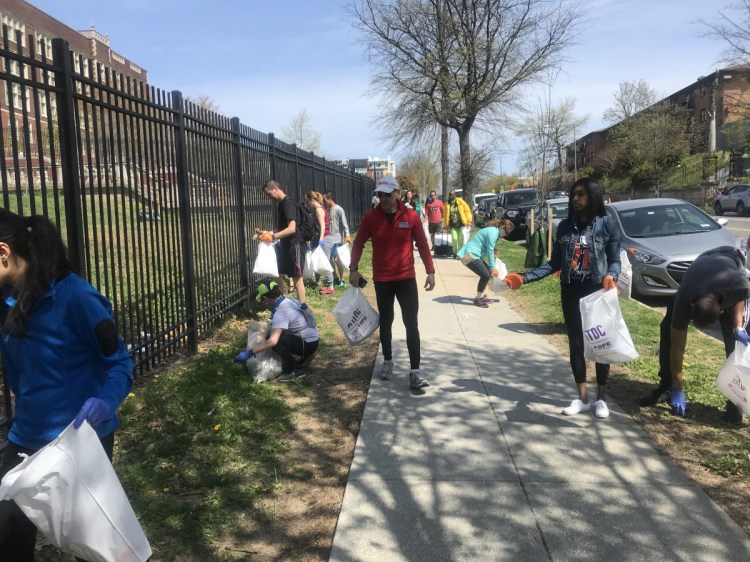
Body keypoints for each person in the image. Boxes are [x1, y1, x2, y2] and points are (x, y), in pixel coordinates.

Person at [0, 209, 133, 560]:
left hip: (80, 442)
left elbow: (119, 362)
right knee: (7, 539)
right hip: (25, 441)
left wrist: (106, 400)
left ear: (3, 253)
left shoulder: (78, 298)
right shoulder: (7, 302)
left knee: (95, 547)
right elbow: (18, 371)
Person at [505, 178, 621, 419]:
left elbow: (615, 259)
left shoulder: (607, 225)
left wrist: (611, 275)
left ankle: (601, 399)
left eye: (581, 194)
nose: (576, 199)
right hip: (571, 292)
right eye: (573, 195)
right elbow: (554, 264)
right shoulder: (565, 227)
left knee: (600, 344)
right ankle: (583, 399)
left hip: (597, 291)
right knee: (576, 345)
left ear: (593, 196)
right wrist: (524, 278)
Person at [638, 246, 750, 423]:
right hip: (700, 268)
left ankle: (735, 402)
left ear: (722, 311)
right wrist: (678, 386)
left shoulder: (739, 283)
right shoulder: (685, 299)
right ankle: (666, 387)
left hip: (731, 261)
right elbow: (677, 348)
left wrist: (738, 328)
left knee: (736, 346)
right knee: (668, 330)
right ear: (691, 307)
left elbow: (740, 298)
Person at [349, 175, 436, 389]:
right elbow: (358, 243)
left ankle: (415, 371)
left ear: (397, 193)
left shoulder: (412, 216)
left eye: (387, 195)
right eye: (379, 194)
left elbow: (423, 245)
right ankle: (387, 361)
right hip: (383, 280)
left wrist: (430, 271)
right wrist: (353, 269)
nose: (383, 199)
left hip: (406, 278)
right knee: (386, 322)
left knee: (411, 323)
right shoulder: (371, 218)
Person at [234, 279, 319, 382]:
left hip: (308, 344)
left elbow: (272, 341)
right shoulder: (289, 301)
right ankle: (304, 359)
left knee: (274, 340)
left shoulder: (281, 312)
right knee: (277, 334)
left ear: (265, 298)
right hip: (313, 339)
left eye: (262, 300)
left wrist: (249, 353)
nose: (264, 302)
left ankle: (295, 369)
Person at [258, 179, 307, 304]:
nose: (268, 197)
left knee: (297, 278)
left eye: (269, 194)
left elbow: (291, 229)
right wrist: (269, 233)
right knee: (278, 272)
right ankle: (283, 302)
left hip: (295, 245)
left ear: (275, 188)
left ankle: (302, 308)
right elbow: (281, 228)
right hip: (285, 245)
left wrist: (273, 237)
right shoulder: (281, 204)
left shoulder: (288, 204)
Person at [456, 219, 514, 308]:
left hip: (474, 254)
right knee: (486, 275)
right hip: (470, 255)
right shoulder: (494, 233)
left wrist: (493, 251)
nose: (506, 235)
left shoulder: (494, 231)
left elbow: (487, 247)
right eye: (506, 233)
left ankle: (481, 296)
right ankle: (478, 299)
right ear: (502, 228)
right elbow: (490, 250)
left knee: (487, 273)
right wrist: (493, 267)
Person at [305, 191, 336, 295]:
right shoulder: (320, 208)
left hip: (325, 238)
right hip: (321, 238)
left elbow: (322, 225)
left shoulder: (318, 209)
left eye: (307, 201)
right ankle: (318, 282)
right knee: (317, 260)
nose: (307, 203)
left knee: (325, 262)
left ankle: (331, 286)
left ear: (311, 200)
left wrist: (321, 239)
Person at [323, 191, 351, 287]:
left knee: (337, 259)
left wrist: (347, 235)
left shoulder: (339, 209)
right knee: (330, 259)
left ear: (330, 199)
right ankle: (335, 278)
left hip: (337, 239)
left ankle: (342, 279)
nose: (324, 202)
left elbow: (345, 224)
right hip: (328, 239)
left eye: (325, 200)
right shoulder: (327, 210)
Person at [443, 190, 472, 258]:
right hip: (453, 224)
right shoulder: (447, 204)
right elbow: (445, 215)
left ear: (455, 195)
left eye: (452, 195)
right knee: (454, 238)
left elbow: (467, 211)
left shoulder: (461, 202)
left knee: (461, 239)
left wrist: (469, 221)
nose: (450, 196)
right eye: (449, 195)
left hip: (462, 224)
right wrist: (445, 225)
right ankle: (455, 253)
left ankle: (460, 253)